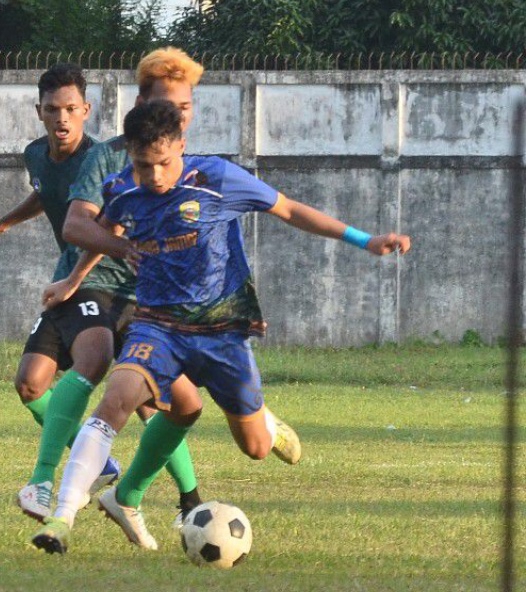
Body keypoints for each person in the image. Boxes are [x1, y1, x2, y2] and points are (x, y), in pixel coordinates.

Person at [31, 99, 411, 554]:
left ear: (181, 147)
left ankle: (267, 425)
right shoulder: (123, 190)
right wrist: (78, 276)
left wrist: (366, 240)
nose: (153, 176)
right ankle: (63, 516)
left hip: (222, 331)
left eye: (163, 164)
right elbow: (100, 233)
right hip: (158, 327)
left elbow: (288, 209)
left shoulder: (217, 180)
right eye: (142, 164)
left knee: (253, 446)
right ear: (130, 152)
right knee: (115, 401)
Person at [0, 63, 122, 519]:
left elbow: (107, 224)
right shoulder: (35, 154)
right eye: (53, 109)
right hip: (67, 279)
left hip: (106, 283)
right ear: (39, 111)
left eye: (71, 108)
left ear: (87, 110)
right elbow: (45, 193)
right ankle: (99, 465)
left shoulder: (99, 161)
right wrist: (0, 224)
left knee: (147, 399)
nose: (62, 118)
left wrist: (76, 277)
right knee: (30, 384)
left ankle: (176, 496)